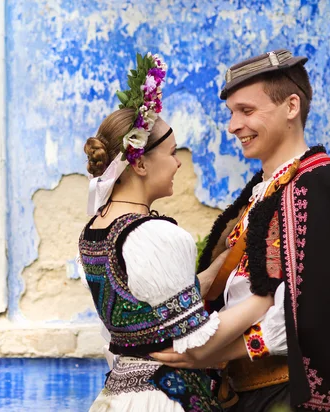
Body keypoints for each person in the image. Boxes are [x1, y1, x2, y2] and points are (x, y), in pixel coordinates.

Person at [151, 49, 330, 411]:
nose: (233, 125)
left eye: (247, 111)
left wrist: (210, 352)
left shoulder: (323, 188)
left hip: (287, 395)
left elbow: (311, 313)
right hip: (247, 393)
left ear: (291, 106)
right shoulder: (267, 190)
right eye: (232, 113)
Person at [79, 53, 274, 412]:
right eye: (171, 152)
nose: (178, 162)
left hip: (121, 395)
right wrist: (267, 298)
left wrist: (224, 263)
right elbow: (198, 341)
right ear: (138, 163)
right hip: (162, 397)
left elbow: (158, 304)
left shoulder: (95, 230)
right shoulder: (155, 235)